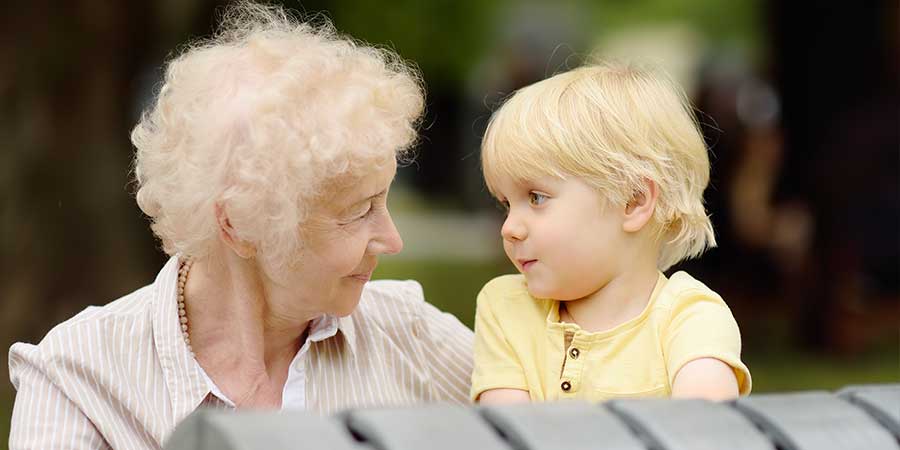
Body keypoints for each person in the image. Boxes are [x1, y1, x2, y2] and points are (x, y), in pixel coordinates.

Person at [8, 2, 473, 448]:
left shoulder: (408, 334)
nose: (392, 240)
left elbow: (543, 419)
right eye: (357, 211)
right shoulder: (79, 376)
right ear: (240, 227)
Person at [470, 62, 751, 403]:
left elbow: (698, 433)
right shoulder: (507, 308)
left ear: (633, 201)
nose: (509, 228)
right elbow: (508, 434)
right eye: (506, 204)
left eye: (537, 198)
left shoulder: (691, 319)